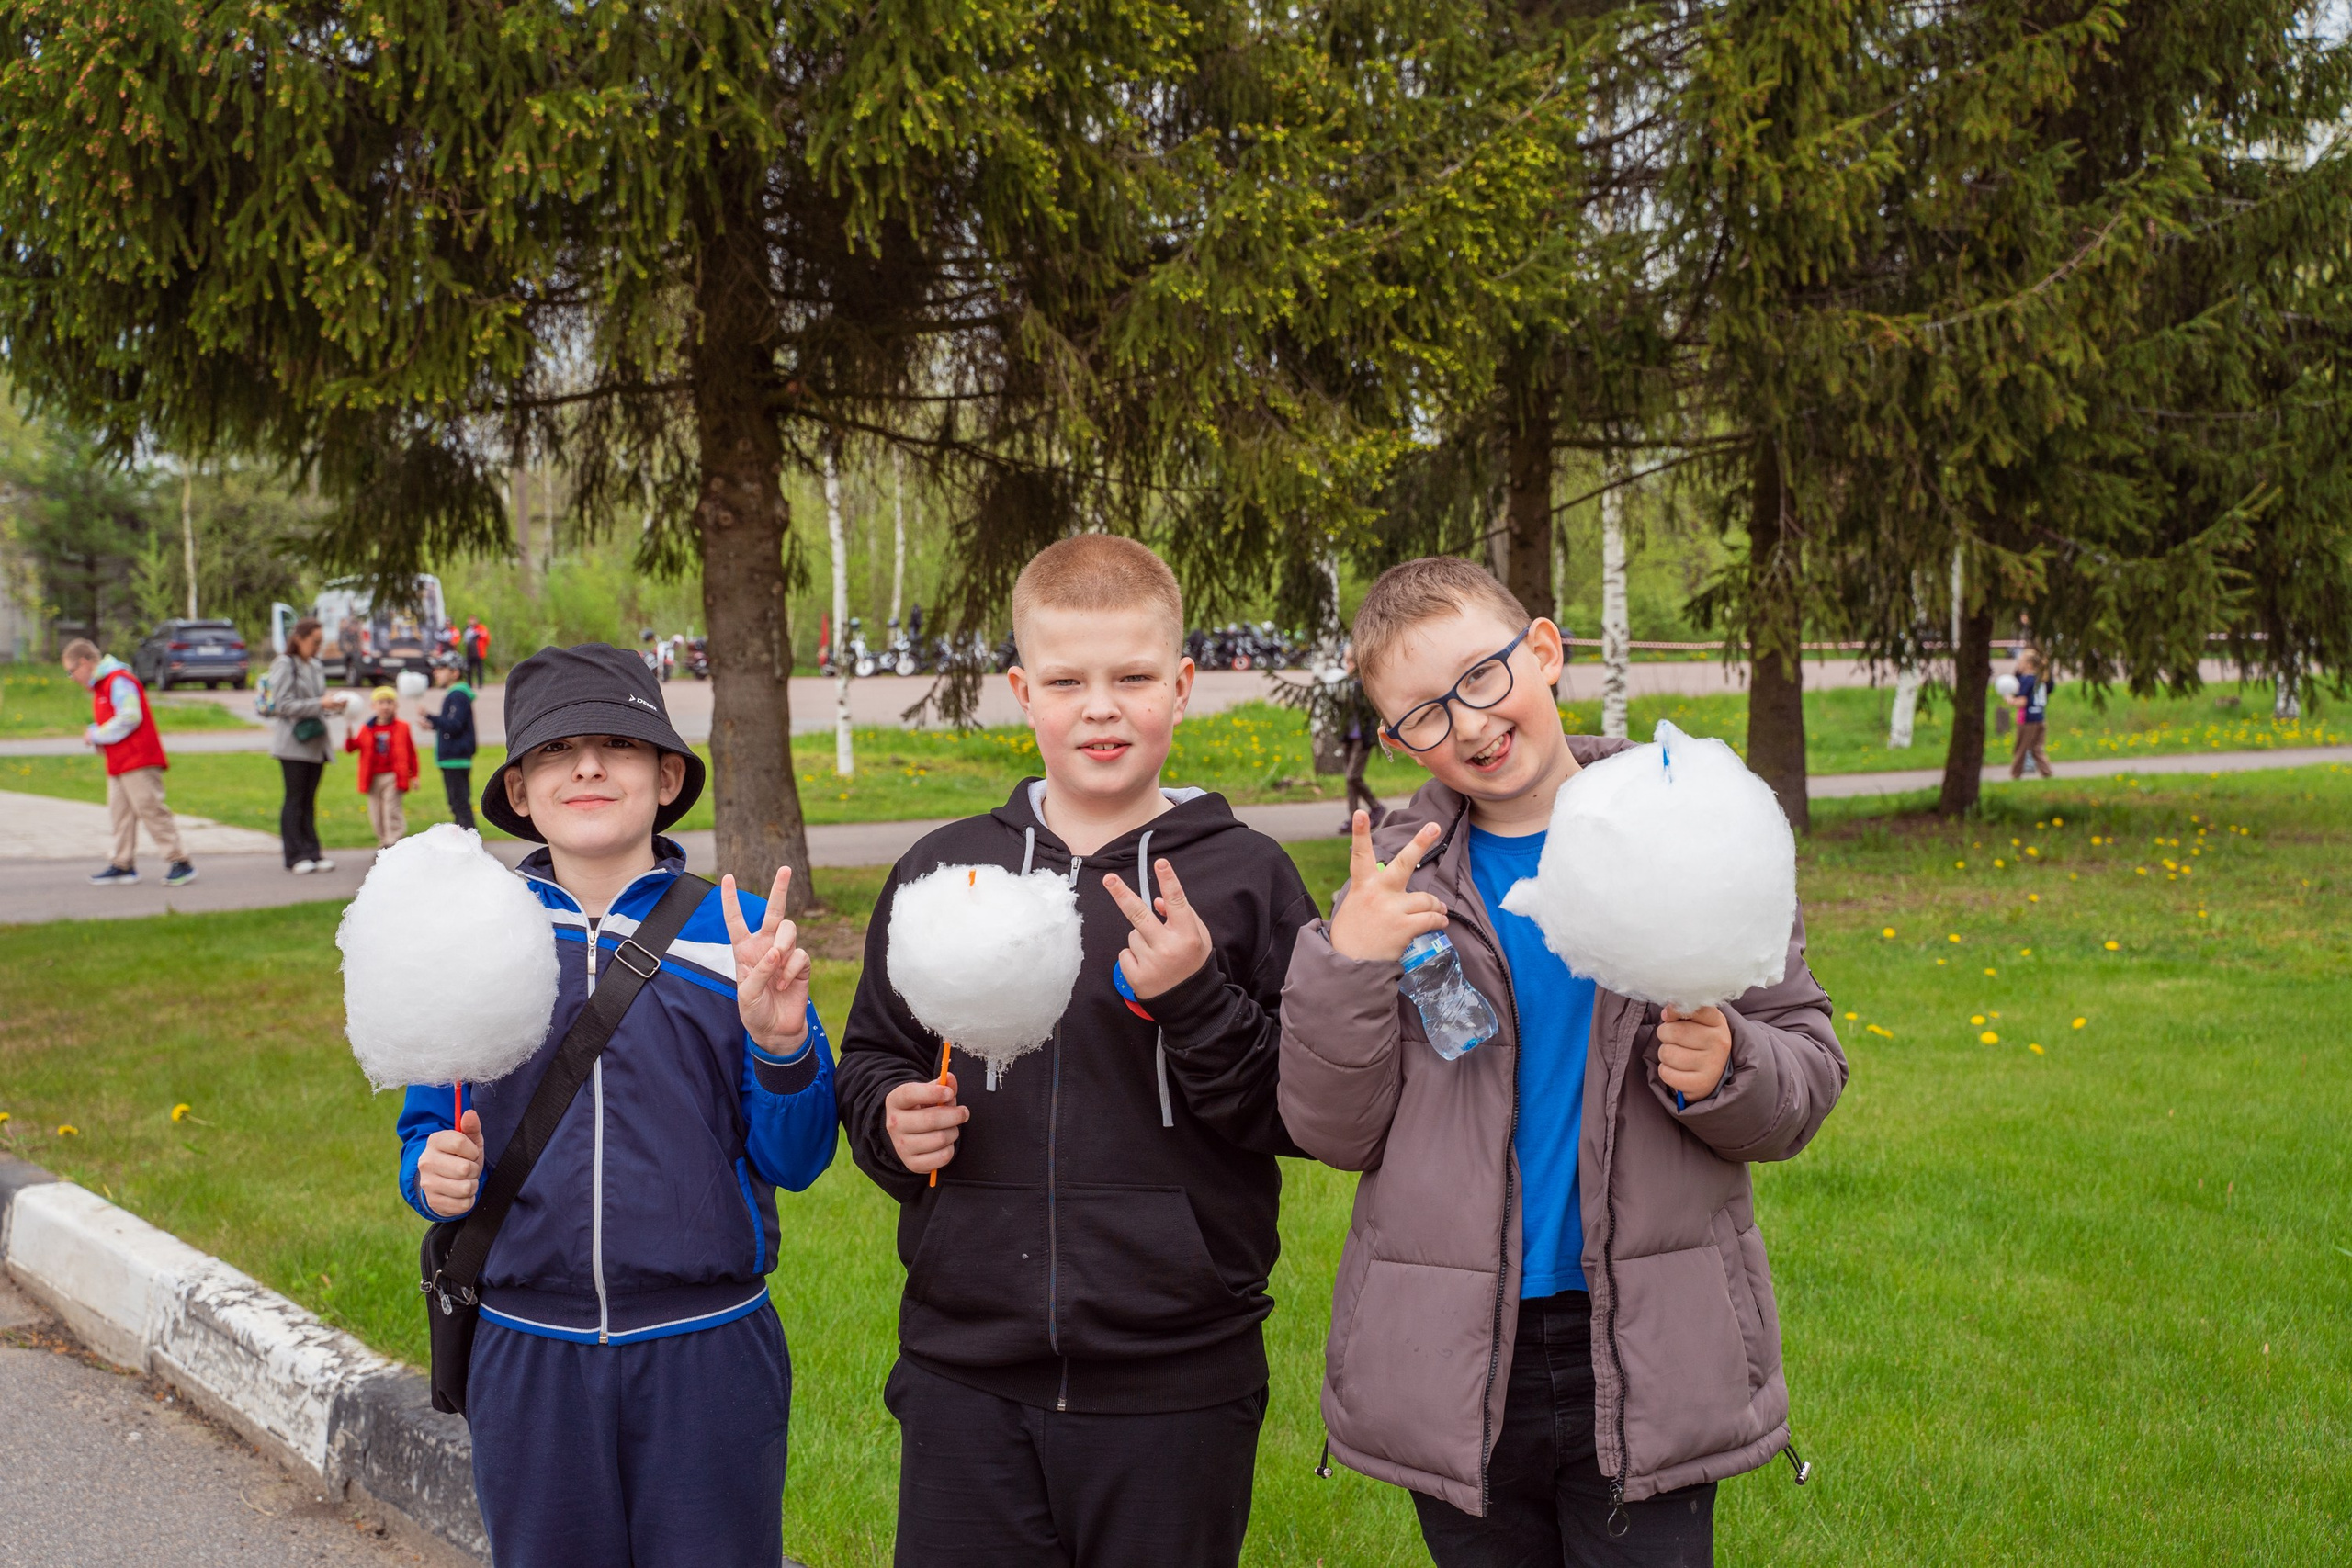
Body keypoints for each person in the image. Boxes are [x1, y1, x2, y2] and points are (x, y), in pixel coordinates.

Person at [1278, 557, 1845, 1568]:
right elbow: (1332, 1128)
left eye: (1482, 678)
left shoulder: (1687, 835)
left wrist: (1727, 1065)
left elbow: (1805, 1074)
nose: (1464, 726)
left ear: (1542, 651)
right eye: (1419, 715)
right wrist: (1347, 968)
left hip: (1643, 1344)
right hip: (1456, 1357)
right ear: (1394, 735)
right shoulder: (1398, 886)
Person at [835, 536, 1319, 1568]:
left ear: (1182, 687)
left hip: (1177, 1379)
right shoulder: (944, 871)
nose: (1101, 707)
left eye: (1132, 677)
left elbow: (1303, 1112)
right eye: (1067, 681)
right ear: (1023, 691)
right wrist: (890, 1123)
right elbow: (873, 1059)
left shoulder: (1247, 881)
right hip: (965, 1370)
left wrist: (1194, 999)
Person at [396, 642, 836, 1567]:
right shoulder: (472, 935)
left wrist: (782, 1042)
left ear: (666, 774)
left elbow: (796, 1158)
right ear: (519, 791)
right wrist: (429, 1170)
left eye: (616, 745)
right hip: (527, 1349)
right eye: (555, 751)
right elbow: (427, 1130)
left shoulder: (740, 933)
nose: (587, 766)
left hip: (707, 1348)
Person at [62, 637, 194, 887]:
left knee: (150, 808)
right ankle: (123, 864)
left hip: (139, 758)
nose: (72, 677)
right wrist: (97, 732)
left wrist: (97, 734)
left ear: (84, 662)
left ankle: (180, 861)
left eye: (71, 671)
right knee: (120, 813)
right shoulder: (101, 686)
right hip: (120, 760)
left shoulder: (118, 680)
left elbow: (130, 717)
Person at [263, 617, 347, 875]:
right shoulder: (285, 664)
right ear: (298, 638)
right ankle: (294, 855)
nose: (318, 647)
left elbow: (316, 701)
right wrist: (320, 704)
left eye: (321, 643)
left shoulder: (315, 666)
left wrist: (333, 705)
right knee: (295, 799)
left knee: (310, 801)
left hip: (316, 744)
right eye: (315, 642)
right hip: (293, 744)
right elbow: (282, 705)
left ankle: (313, 852)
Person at [346, 686, 419, 848]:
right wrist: (349, 737)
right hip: (372, 777)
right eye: (381, 702)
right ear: (374, 706)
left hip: (394, 775)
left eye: (389, 702)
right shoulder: (367, 728)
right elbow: (352, 748)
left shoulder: (402, 727)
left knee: (391, 809)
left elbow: (411, 752)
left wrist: (414, 775)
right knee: (376, 812)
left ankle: (393, 840)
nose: (385, 706)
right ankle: (383, 838)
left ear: (396, 705)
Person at [423, 676, 480, 830]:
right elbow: (453, 724)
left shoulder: (457, 696)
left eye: (442, 669)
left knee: (460, 803)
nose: (437, 673)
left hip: (455, 758)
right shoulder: (455, 695)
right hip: (453, 758)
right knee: (457, 803)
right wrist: (433, 725)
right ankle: (465, 840)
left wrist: (430, 716)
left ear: (454, 672)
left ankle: (470, 842)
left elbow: (454, 725)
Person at [2009, 648, 2055, 780]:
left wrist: (2010, 700)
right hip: (2040, 718)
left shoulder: (2027, 680)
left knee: (2021, 749)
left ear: (2029, 664)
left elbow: (2023, 701)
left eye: (2021, 662)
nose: (2019, 665)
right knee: (2036, 748)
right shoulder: (2040, 679)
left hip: (2027, 720)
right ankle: (2047, 772)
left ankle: (2015, 775)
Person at [461, 615, 490, 688]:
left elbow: (486, 638)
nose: (471, 622)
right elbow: (464, 640)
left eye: (473, 620)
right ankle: (469, 684)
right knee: (469, 669)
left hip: (478, 652)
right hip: (469, 652)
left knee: (479, 669)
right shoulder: (468, 629)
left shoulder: (481, 628)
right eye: (470, 620)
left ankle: (480, 684)